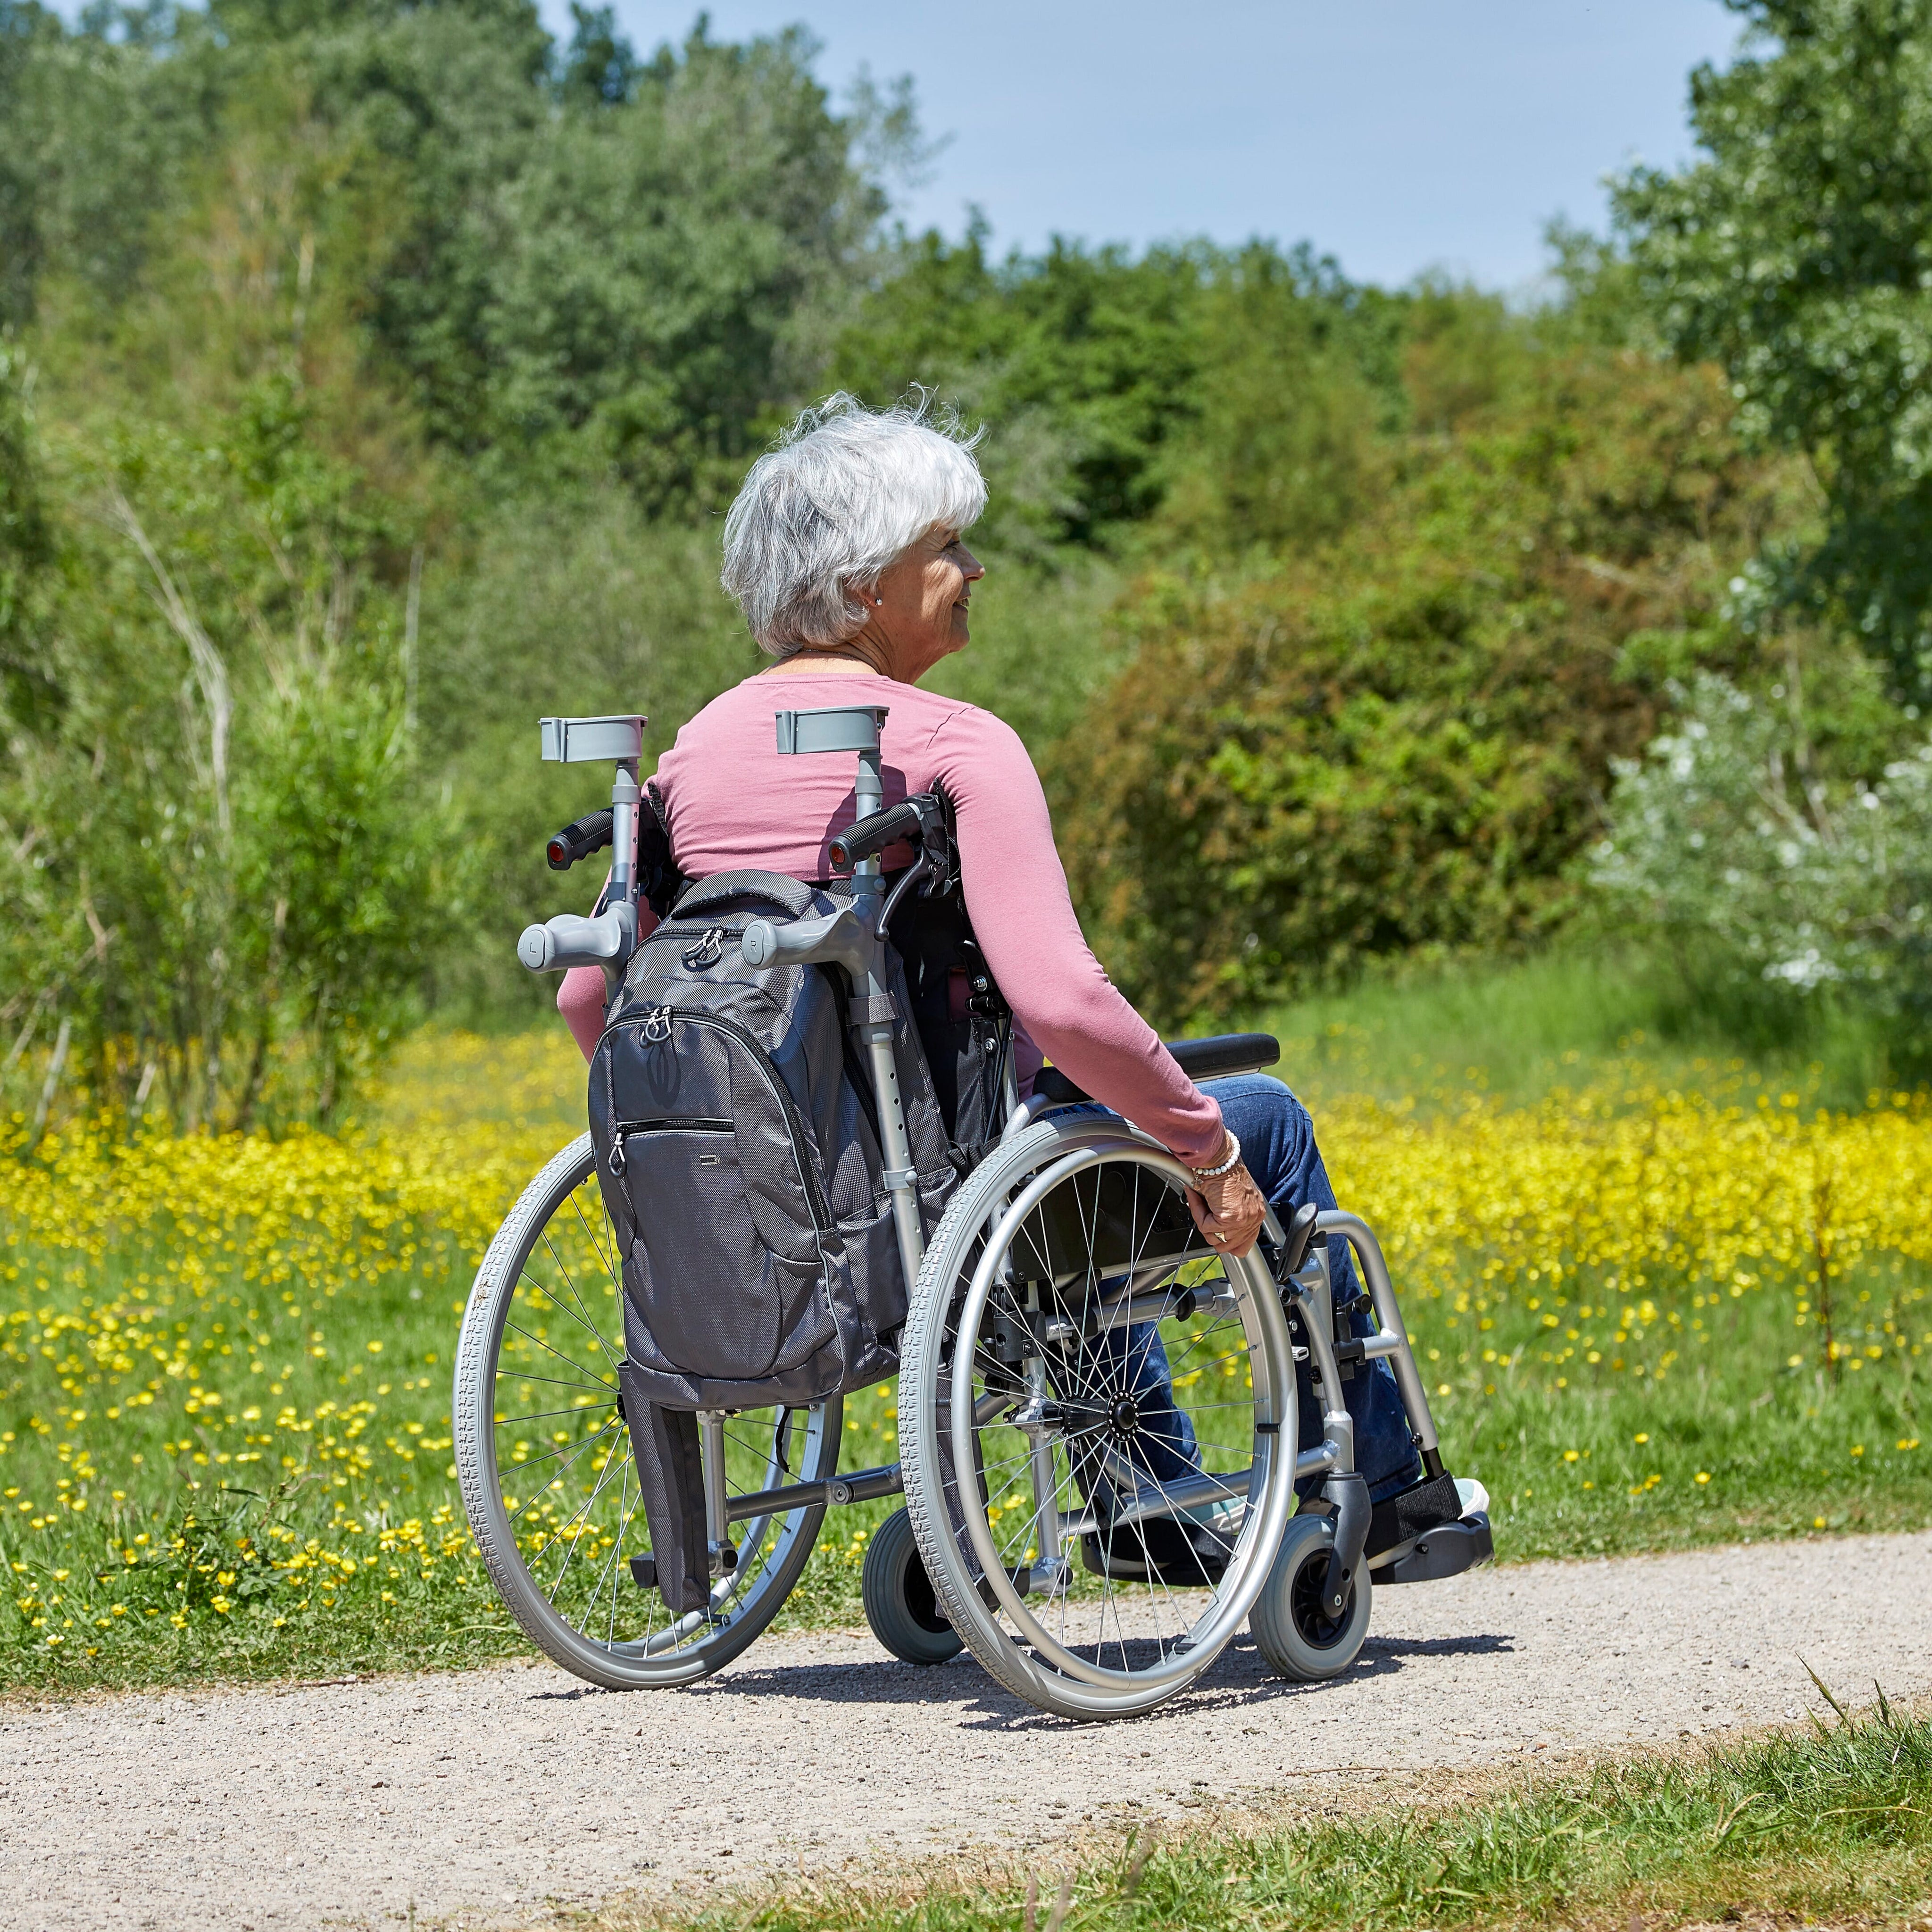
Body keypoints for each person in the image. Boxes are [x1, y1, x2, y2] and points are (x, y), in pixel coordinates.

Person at [558, 391, 1429, 1546]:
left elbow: (589, 991)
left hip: (792, 1202)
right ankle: (1381, 1487)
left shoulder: (690, 754)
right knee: (1240, 1114)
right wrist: (1203, 1145)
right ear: (867, 584)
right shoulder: (953, 741)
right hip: (966, 1191)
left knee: (1073, 1121)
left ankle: (1144, 1489)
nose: (976, 567)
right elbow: (1062, 1001)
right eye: (947, 548)